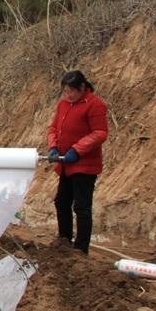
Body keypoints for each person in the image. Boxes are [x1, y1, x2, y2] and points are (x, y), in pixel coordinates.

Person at [46, 70, 109, 253]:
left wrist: (77, 149)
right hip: (66, 164)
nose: (68, 95)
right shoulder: (64, 104)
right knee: (61, 202)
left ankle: (81, 249)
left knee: (81, 206)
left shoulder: (94, 105)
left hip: (84, 165)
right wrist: (53, 147)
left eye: (71, 91)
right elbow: (53, 128)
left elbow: (100, 133)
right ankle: (64, 241)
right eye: (65, 91)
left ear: (82, 87)